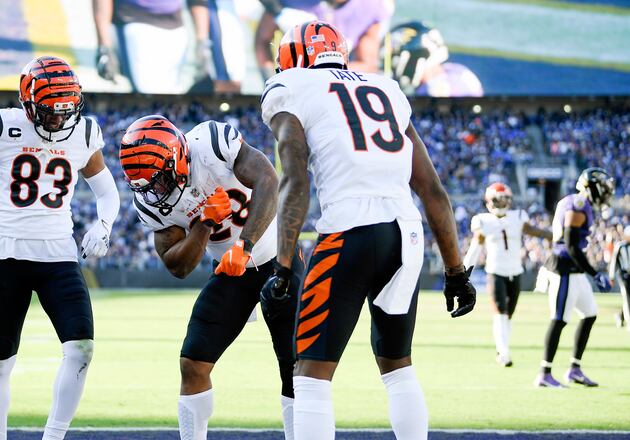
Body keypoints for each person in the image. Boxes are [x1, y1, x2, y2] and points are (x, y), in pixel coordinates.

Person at [259, 20, 476, 440]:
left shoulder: (289, 87)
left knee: (310, 375)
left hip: (349, 230)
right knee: (397, 366)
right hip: (406, 234)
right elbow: (431, 188)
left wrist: (283, 266)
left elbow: (295, 179)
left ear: (292, 59)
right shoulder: (386, 87)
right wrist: (456, 271)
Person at [0, 56, 120, 440]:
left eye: (65, 111)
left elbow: (107, 191)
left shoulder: (83, 133)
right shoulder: (0, 126)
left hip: (59, 257)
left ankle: (53, 437)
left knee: (81, 349)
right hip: (7, 257)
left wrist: (103, 226)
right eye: (50, 112)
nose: (59, 121)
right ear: (27, 103)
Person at [119, 115, 303, 440]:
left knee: (294, 366)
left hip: (278, 257)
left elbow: (268, 181)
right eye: (147, 186)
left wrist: (244, 246)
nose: (155, 192)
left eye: (159, 180)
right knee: (193, 362)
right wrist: (204, 223)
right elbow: (177, 266)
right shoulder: (152, 201)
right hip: (231, 272)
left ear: (177, 157)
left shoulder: (211, 144)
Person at [535, 167, 614, 388]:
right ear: (592, 187)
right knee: (559, 319)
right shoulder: (578, 204)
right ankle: (544, 373)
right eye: (604, 188)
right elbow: (570, 245)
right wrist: (595, 273)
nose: (606, 193)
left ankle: (574, 369)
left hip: (574, 269)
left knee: (589, 314)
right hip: (564, 269)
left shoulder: (581, 203)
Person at [463, 182, 552, 367]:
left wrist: (555, 236)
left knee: (508, 314)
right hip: (496, 272)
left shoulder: (518, 216)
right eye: (499, 199)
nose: (502, 202)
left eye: (505, 199)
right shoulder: (482, 220)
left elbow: (533, 230)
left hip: (516, 272)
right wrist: (463, 272)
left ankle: (502, 348)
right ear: (490, 201)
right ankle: (504, 353)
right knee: (500, 313)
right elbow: (475, 247)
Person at [255, 0, 393, 80]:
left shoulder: (370, 6)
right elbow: (262, 40)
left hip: (342, 81)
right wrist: (271, 80)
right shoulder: (291, 4)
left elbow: (367, 64)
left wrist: (321, 73)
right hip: (297, 81)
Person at [93, 0, 189, 94]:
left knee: (173, 92)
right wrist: (104, 47)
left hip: (176, 24)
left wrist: (201, 40)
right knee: (146, 90)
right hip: (134, 20)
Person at [383, 21, 483, 97]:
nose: (394, 65)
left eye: (396, 58)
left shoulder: (433, 89)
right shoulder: (455, 69)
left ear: (416, 57)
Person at [609, 225, 630, 330]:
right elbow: (614, 262)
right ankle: (629, 321)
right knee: (627, 296)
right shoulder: (620, 246)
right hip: (624, 274)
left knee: (628, 298)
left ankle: (620, 316)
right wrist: (611, 276)